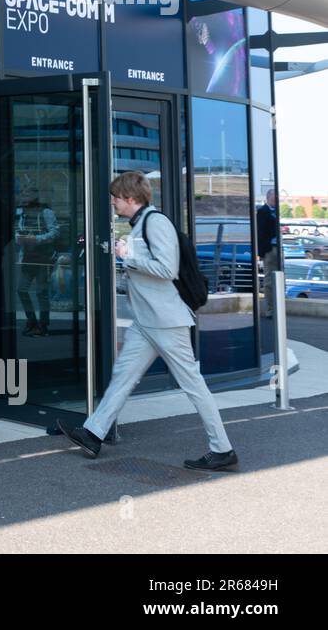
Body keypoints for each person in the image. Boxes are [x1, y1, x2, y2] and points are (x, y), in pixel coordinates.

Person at [60, 171, 238, 473]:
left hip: (166, 322)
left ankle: (222, 449)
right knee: (123, 377)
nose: (113, 202)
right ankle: (93, 434)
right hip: (147, 322)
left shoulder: (156, 223)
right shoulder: (141, 224)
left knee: (193, 385)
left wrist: (127, 258)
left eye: (116, 197)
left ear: (131, 198)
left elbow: (166, 269)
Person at [14, 188, 59, 336]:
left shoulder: (46, 212)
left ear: (34, 197)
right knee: (21, 289)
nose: (23, 197)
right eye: (23, 194)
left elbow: (55, 232)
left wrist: (37, 240)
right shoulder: (22, 213)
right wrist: (20, 239)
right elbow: (18, 230)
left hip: (43, 257)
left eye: (26, 195)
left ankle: (43, 324)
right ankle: (31, 320)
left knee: (41, 292)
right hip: (28, 256)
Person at [256, 189, 280, 319]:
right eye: (275, 198)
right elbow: (260, 233)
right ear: (269, 198)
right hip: (270, 249)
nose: (276, 200)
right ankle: (270, 309)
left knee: (279, 279)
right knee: (269, 280)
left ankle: (277, 307)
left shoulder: (277, 212)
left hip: (278, 248)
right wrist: (263, 252)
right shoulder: (262, 212)